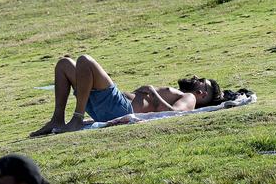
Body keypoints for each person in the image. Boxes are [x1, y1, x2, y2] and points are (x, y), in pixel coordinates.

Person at [31, 56, 233, 135]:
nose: (196, 77)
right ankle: (56, 120)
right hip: (107, 106)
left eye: (201, 81)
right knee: (64, 64)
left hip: (119, 107)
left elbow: (174, 114)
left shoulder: (189, 98)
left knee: (85, 60)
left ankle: (75, 118)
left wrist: (154, 92)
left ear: (201, 93)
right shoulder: (183, 93)